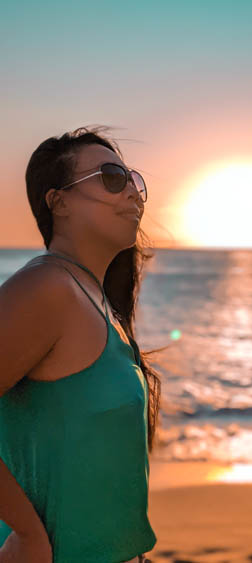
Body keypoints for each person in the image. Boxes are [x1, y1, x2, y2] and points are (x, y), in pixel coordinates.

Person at [0, 125, 165, 562]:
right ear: (59, 201)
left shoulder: (98, 302)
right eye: (112, 177)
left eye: (134, 180)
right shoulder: (46, 287)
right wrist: (27, 533)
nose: (133, 192)